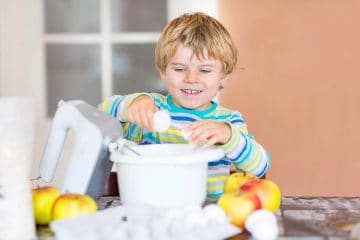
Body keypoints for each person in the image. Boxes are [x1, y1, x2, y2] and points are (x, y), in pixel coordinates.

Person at [99, 12, 270, 202]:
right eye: (179, 69)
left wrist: (229, 136)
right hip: (152, 212)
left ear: (223, 76)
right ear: (163, 71)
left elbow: (260, 166)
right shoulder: (152, 111)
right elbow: (99, 116)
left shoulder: (227, 122)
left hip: (206, 217)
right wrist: (131, 105)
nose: (191, 79)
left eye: (205, 70)